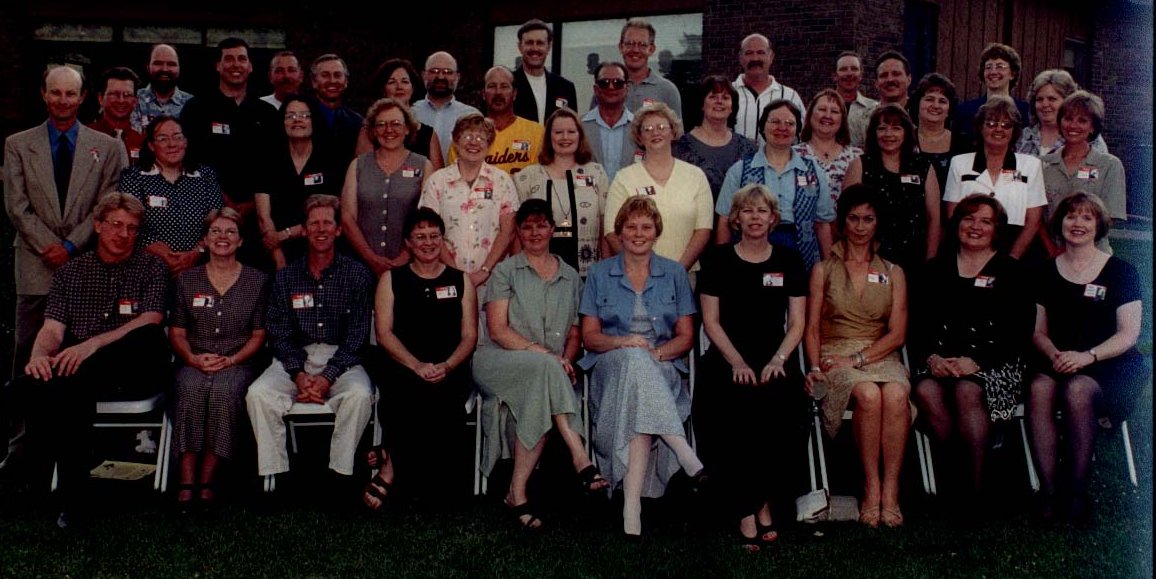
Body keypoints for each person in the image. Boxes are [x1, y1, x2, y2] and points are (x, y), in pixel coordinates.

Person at [10, 192, 169, 528]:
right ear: (98, 226)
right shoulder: (72, 273)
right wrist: (39, 357)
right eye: (115, 225)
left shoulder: (152, 266)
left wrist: (91, 345)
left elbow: (152, 319)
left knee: (142, 337)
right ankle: (74, 499)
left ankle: (16, 404)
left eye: (132, 228)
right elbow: (52, 329)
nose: (123, 234)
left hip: (134, 366)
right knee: (69, 385)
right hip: (80, 375)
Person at [2, 66, 128, 484]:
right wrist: (48, 247)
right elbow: (16, 206)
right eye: (54, 92)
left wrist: (72, 246)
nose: (62, 100)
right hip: (36, 265)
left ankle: (71, 450)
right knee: (29, 354)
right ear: (43, 95)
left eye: (70, 93)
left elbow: (106, 204)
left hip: (85, 261)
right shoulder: (18, 144)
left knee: (75, 356)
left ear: (84, 97)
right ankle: (21, 450)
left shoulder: (105, 147)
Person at [472, 200, 606, 528]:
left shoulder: (571, 275)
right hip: (499, 361)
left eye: (541, 225)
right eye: (527, 226)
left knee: (542, 383)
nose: (534, 232)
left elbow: (575, 333)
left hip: (547, 372)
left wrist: (566, 360)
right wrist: (546, 355)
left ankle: (517, 492)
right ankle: (580, 456)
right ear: (518, 230)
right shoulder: (505, 271)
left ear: (552, 229)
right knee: (545, 368)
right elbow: (498, 331)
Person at [579, 196, 706, 537]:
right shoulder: (600, 274)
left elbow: (685, 337)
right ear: (619, 232)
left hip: (660, 365)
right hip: (611, 364)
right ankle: (682, 450)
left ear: (656, 232)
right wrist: (624, 344)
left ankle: (630, 506)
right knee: (634, 363)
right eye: (631, 227)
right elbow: (590, 337)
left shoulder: (675, 273)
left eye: (646, 227)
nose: (638, 233)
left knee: (639, 382)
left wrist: (657, 355)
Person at [694, 184, 807, 551]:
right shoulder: (718, 260)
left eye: (762, 211)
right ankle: (745, 508)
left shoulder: (789, 260)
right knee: (732, 407)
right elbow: (710, 321)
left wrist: (779, 360)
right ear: (736, 218)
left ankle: (764, 503)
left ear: (773, 219)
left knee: (782, 407)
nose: (755, 217)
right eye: (748, 211)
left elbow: (797, 323)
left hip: (774, 358)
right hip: (729, 357)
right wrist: (737, 361)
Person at [1026, 192, 1144, 523]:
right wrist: (1055, 354)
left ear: (1099, 225)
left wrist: (1087, 357)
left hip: (1109, 362)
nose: (1077, 224)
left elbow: (1128, 334)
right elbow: (1038, 331)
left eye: (1087, 217)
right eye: (1071, 216)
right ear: (1059, 223)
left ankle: (1076, 493)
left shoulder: (1121, 271)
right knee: (1039, 388)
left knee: (1078, 389)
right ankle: (1049, 492)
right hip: (1057, 356)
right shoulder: (1043, 272)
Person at [911, 195, 1034, 510]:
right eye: (968, 218)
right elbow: (918, 326)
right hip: (940, 362)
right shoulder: (934, 268)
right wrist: (932, 359)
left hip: (997, 363)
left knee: (967, 390)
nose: (975, 226)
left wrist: (976, 361)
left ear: (997, 229)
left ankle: (975, 491)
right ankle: (956, 472)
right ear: (957, 224)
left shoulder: (1013, 271)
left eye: (985, 221)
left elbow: (1019, 333)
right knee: (925, 390)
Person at [245, 195, 374, 492]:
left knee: (359, 396)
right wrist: (299, 374)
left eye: (327, 222)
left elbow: (357, 336)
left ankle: (339, 476)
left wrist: (327, 377)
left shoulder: (357, 275)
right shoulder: (287, 276)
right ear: (303, 229)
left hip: (343, 359)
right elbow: (278, 331)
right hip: (295, 357)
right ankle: (276, 476)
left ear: (339, 230)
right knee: (258, 394)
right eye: (313, 223)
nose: (320, 229)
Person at [803, 184, 910, 528]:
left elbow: (897, 334)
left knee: (895, 393)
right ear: (842, 221)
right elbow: (813, 328)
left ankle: (891, 490)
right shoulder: (823, 269)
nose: (860, 226)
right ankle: (871, 487)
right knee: (866, 393)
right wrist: (815, 367)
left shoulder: (893, 272)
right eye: (853, 218)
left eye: (868, 219)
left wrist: (861, 359)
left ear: (878, 223)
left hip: (879, 353)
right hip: (835, 354)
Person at [366, 207, 477, 506]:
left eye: (434, 236)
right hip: (403, 364)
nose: (428, 242)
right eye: (420, 237)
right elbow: (384, 333)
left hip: (449, 366)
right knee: (407, 393)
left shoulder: (461, 281)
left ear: (443, 240)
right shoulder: (391, 279)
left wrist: (447, 365)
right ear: (408, 243)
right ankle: (391, 468)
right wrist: (416, 366)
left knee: (442, 396)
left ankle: (392, 457)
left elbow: (470, 336)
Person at [169, 207, 269, 511]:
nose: (222, 237)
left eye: (230, 232)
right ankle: (187, 479)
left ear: (240, 242)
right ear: (206, 239)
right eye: (215, 231)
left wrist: (232, 360)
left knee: (224, 391)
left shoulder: (258, 280)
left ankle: (209, 478)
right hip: (194, 360)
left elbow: (259, 335)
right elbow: (176, 332)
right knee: (190, 390)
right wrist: (193, 359)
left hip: (238, 361)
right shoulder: (187, 280)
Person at [179, 37, 280, 268]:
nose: (236, 65)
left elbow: (276, 165)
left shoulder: (266, 113)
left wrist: (252, 204)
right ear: (218, 65)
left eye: (242, 59)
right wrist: (220, 199)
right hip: (206, 217)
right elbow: (187, 160)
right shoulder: (196, 108)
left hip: (256, 220)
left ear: (251, 66)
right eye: (229, 59)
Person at [716, 99, 835, 270]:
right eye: (775, 121)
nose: (782, 128)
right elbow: (724, 220)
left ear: (797, 130)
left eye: (790, 123)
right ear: (763, 127)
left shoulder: (813, 170)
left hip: (802, 253)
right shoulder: (740, 170)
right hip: (750, 250)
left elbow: (823, 224)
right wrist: (722, 263)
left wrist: (828, 267)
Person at [605, 102, 713, 273]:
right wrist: (637, 268)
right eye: (647, 129)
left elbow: (703, 230)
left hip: (684, 275)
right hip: (635, 276)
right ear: (639, 137)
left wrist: (678, 272)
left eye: (661, 127)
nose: (655, 132)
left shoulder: (696, 176)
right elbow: (611, 232)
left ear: (673, 131)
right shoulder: (623, 178)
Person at [419, 113, 519, 294]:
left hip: (492, 279)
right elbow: (428, 231)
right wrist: (454, 273)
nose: (474, 142)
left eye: (481, 138)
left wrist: (484, 271)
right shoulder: (437, 181)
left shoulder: (502, 181)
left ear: (489, 145)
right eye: (467, 136)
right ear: (455, 142)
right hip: (444, 277)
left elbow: (508, 232)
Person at [118, 115, 225, 276]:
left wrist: (196, 252)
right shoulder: (134, 177)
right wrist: (167, 257)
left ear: (186, 142)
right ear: (151, 145)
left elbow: (219, 220)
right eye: (162, 138)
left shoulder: (205, 176)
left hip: (201, 267)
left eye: (177, 137)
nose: (172, 144)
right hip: (149, 268)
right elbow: (130, 224)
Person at [943, 95, 1046, 261]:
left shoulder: (1031, 166)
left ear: (1014, 131)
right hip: (968, 248)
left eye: (1006, 125)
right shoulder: (959, 163)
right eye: (991, 123)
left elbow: (1033, 221)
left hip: (1016, 249)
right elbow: (952, 216)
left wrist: (1011, 259)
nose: (999, 129)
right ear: (980, 127)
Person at [843, 104, 941, 274]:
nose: (888, 134)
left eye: (896, 128)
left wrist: (930, 260)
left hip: (914, 258)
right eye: (882, 128)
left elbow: (934, 218)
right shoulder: (860, 165)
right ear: (873, 133)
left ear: (906, 132)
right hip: (870, 258)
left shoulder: (923, 167)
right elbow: (846, 215)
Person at [342, 98, 433, 276]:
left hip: (411, 267)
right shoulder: (357, 165)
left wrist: (404, 257)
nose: (389, 130)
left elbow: (427, 218)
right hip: (361, 266)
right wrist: (371, 258)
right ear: (374, 131)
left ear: (407, 128)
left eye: (396, 124)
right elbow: (347, 218)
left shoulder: (423, 165)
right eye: (381, 124)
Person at [513, 108, 609, 276]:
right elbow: (516, 231)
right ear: (549, 137)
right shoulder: (527, 177)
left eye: (571, 132)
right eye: (558, 132)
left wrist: (606, 269)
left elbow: (604, 226)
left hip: (588, 272)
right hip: (538, 273)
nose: (565, 137)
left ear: (580, 135)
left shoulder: (596, 173)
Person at [256, 95, 344, 270]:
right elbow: (263, 215)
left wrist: (283, 235)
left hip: (319, 245)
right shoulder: (268, 159)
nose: (297, 120)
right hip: (273, 250)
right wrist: (279, 257)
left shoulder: (331, 158)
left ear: (314, 120)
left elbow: (332, 210)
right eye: (290, 116)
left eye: (304, 115)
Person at [1039, 91, 1125, 256]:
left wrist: (1074, 244)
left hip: (1094, 255)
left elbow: (1109, 217)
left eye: (1082, 120)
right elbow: (1036, 216)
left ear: (1093, 127)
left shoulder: (1110, 165)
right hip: (1051, 255)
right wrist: (1052, 250)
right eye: (1068, 118)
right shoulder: (1043, 164)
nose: (1073, 126)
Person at [672, 75, 759, 205]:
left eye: (725, 97)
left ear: (732, 107)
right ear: (702, 104)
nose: (719, 101)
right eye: (713, 97)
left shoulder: (748, 148)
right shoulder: (680, 148)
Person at [447, 66, 543, 176]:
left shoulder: (536, 132)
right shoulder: (465, 136)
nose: (498, 92)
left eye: (504, 86)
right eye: (492, 86)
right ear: (483, 94)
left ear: (514, 94)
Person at [355, 58, 444, 169]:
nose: (399, 87)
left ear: (413, 88)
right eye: (392, 82)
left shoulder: (428, 135)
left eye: (405, 82)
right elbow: (362, 173)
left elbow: (438, 180)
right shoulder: (369, 132)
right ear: (383, 89)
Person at [953, 43, 1031, 148]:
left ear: (1012, 74)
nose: (993, 72)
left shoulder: (1025, 111)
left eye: (1000, 66)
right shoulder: (964, 110)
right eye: (988, 67)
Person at [1017, 70, 1109, 158]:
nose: (1044, 104)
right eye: (1039, 99)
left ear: (1068, 101)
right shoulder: (1022, 137)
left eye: (1052, 99)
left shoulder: (1088, 138)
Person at [795, 88, 862, 207]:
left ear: (842, 119)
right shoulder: (793, 155)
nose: (827, 115)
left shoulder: (857, 157)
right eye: (822, 109)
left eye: (835, 111)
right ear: (810, 114)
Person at [731, 34, 805, 141]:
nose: (755, 58)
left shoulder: (790, 96)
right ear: (740, 58)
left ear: (771, 57)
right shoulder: (726, 94)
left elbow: (803, 136)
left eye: (761, 53)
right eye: (749, 53)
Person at [411, 51, 480, 162]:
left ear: (457, 77)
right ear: (424, 75)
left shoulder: (471, 116)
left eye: (448, 72)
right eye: (434, 71)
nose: (441, 76)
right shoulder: (411, 113)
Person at [512, 19, 578, 123]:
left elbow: (571, 127)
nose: (535, 48)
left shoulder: (565, 87)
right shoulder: (509, 85)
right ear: (520, 47)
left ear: (548, 47)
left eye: (540, 43)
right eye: (529, 43)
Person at [909, 73, 966, 191]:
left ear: (949, 109)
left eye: (942, 101)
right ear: (917, 104)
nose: (935, 105)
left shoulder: (964, 144)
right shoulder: (905, 140)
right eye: (929, 99)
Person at [582, 61, 637, 182]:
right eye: (604, 83)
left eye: (618, 83)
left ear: (626, 88)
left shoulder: (641, 127)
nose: (611, 87)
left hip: (631, 198)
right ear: (595, 89)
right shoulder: (579, 127)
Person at [617, 19, 682, 117]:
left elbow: (677, 131)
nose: (635, 50)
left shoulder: (667, 90)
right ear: (621, 47)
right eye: (629, 44)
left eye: (642, 45)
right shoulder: (607, 88)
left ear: (651, 49)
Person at [307, 54, 364, 167]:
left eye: (337, 75)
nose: (332, 80)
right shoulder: (301, 119)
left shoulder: (357, 122)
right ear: (314, 82)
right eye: (325, 75)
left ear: (346, 81)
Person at [849, 50, 913, 148]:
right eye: (884, 75)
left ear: (909, 79)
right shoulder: (860, 120)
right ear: (876, 83)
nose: (890, 80)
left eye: (896, 74)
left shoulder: (922, 116)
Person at [131, 43, 194, 132]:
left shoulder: (192, 104)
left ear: (179, 68)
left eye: (171, 64)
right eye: (158, 63)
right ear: (148, 67)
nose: (165, 69)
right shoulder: (133, 100)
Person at [88, 66, 145, 163]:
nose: (121, 100)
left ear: (135, 101)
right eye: (114, 94)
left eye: (127, 95)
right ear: (101, 99)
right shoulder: (84, 137)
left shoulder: (142, 143)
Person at [833, 51, 878, 148]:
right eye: (843, 69)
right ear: (835, 76)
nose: (849, 73)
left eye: (854, 69)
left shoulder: (874, 109)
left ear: (861, 75)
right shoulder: (821, 108)